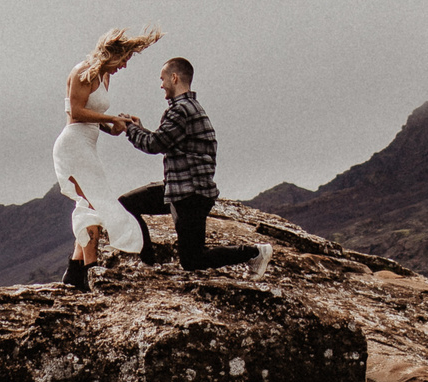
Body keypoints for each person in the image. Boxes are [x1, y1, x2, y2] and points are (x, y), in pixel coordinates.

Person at [113, 56, 271, 276]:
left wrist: (129, 129)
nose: (161, 85)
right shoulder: (189, 108)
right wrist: (138, 128)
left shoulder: (180, 110)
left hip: (190, 195)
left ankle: (255, 253)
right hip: (179, 188)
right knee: (126, 203)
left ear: (174, 78)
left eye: (163, 79)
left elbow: (154, 144)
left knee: (192, 259)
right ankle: (147, 260)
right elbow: (165, 140)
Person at [53, 26, 162, 289]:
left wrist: (118, 125)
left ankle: (76, 272)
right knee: (92, 202)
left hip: (87, 144)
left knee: (89, 203)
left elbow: (98, 123)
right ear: (113, 54)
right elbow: (77, 112)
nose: (124, 66)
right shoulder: (83, 71)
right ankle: (90, 271)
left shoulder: (103, 77)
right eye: (124, 59)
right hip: (73, 145)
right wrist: (110, 118)